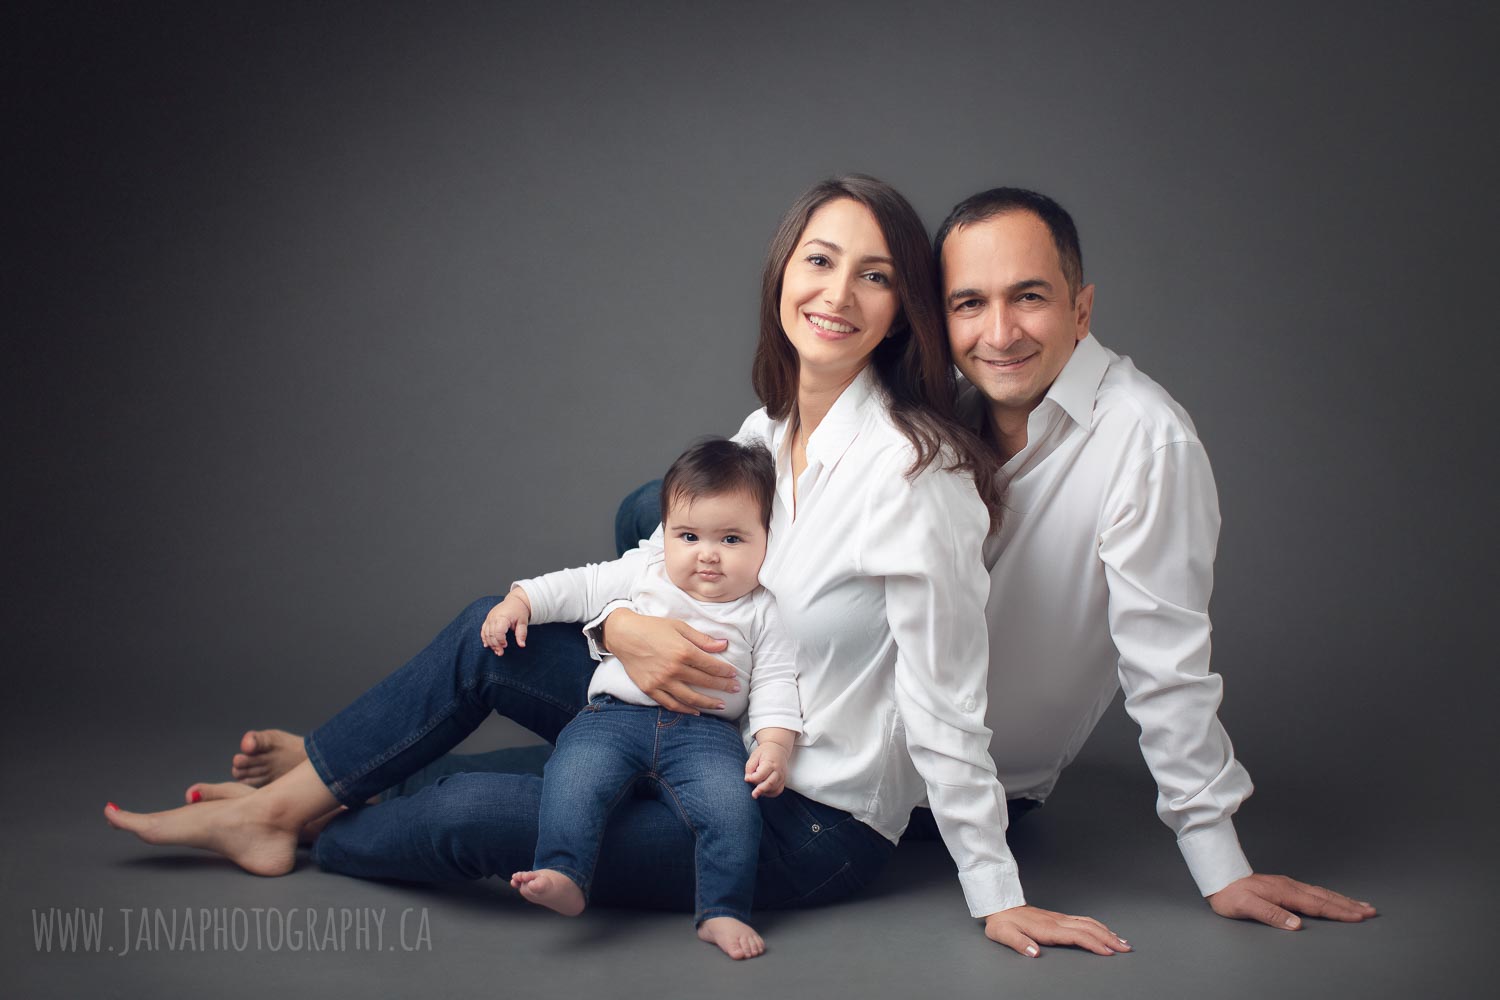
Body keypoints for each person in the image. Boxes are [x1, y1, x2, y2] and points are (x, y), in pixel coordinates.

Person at [105, 175, 1130, 960]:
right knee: (487, 631)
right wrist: (614, 627)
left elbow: (949, 703)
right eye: (820, 261)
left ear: (904, 309)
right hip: (696, 722)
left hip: (805, 818)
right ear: (783, 272)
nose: (838, 293)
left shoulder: (923, 480)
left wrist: (997, 890)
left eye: (875, 275)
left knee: (470, 812)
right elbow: (665, 561)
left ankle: (318, 808)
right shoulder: (768, 431)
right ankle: (299, 795)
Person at [932, 186, 1376, 930]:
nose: (999, 332)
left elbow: (1164, 661)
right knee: (674, 503)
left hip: (930, 794)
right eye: (969, 303)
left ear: (1081, 309)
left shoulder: (1145, 439)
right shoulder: (936, 417)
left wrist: (1219, 861)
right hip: (818, 730)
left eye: (1029, 296)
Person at [500, 437, 800, 959]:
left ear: (767, 542)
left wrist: (774, 745)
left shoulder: (763, 609)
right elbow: (580, 585)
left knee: (733, 809)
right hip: (613, 719)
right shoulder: (646, 573)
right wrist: (520, 599)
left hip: (708, 736)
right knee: (574, 775)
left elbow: (776, 681)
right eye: (689, 536)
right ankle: (564, 870)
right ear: (665, 536)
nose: (707, 554)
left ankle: (722, 910)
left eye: (732, 539)